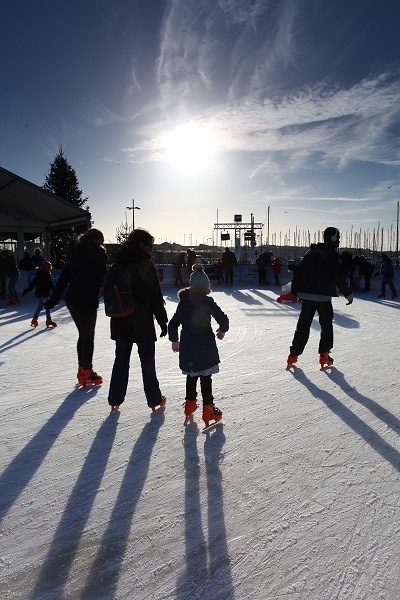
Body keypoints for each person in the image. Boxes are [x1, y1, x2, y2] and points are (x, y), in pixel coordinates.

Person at [107, 228, 168, 414]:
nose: (151, 249)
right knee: (147, 362)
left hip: (120, 320)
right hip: (141, 321)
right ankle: (154, 399)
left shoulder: (118, 263)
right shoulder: (145, 264)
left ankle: (115, 399)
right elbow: (155, 296)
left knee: (121, 361)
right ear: (141, 245)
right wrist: (162, 321)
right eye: (150, 245)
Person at [168, 263, 229, 428]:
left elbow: (172, 324)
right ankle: (208, 409)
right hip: (205, 347)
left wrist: (174, 340)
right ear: (206, 286)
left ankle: (190, 404)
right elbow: (222, 318)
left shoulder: (184, 302)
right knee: (205, 378)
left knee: (191, 375)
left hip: (188, 346)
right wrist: (222, 330)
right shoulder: (208, 302)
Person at [44, 229, 107, 387]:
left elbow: (64, 278)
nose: (103, 244)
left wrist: (54, 299)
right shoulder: (96, 254)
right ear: (96, 240)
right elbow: (103, 279)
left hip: (72, 300)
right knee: (88, 337)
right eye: (102, 240)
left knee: (83, 335)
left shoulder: (77, 254)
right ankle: (87, 371)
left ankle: (82, 369)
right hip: (86, 300)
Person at [287, 227, 354, 368]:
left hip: (306, 295)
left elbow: (300, 271)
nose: (339, 241)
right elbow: (338, 277)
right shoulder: (333, 255)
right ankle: (324, 354)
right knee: (326, 326)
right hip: (322, 297)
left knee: (303, 325)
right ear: (333, 238)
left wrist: (295, 291)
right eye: (338, 238)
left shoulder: (310, 252)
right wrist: (348, 293)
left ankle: (293, 355)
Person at [22, 261, 57, 328]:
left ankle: (34, 320)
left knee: (40, 306)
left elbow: (33, 283)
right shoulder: (47, 274)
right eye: (49, 267)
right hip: (44, 293)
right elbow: (50, 284)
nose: (50, 268)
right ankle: (48, 320)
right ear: (47, 267)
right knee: (47, 306)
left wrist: (27, 290)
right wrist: (56, 292)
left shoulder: (38, 273)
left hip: (38, 293)